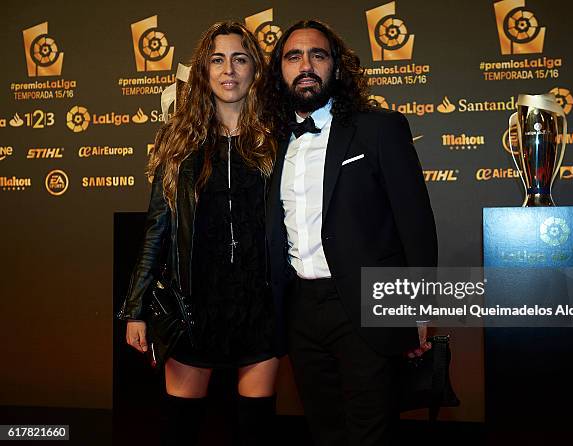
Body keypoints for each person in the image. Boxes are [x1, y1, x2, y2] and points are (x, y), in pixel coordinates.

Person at [264, 20, 437, 445]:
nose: (306, 65)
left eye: (317, 55)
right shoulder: (269, 143)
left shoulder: (379, 129)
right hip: (300, 312)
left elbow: (416, 224)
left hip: (367, 303)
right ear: (280, 72)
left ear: (336, 68)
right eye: (293, 56)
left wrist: (418, 309)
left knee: (369, 432)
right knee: (324, 429)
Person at [117, 21, 280, 446]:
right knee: (180, 429)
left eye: (240, 58)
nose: (229, 69)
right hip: (192, 308)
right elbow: (158, 228)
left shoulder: (278, 141)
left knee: (256, 429)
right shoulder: (178, 142)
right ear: (204, 72)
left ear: (255, 70)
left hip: (258, 308)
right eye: (218, 59)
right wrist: (134, 308)